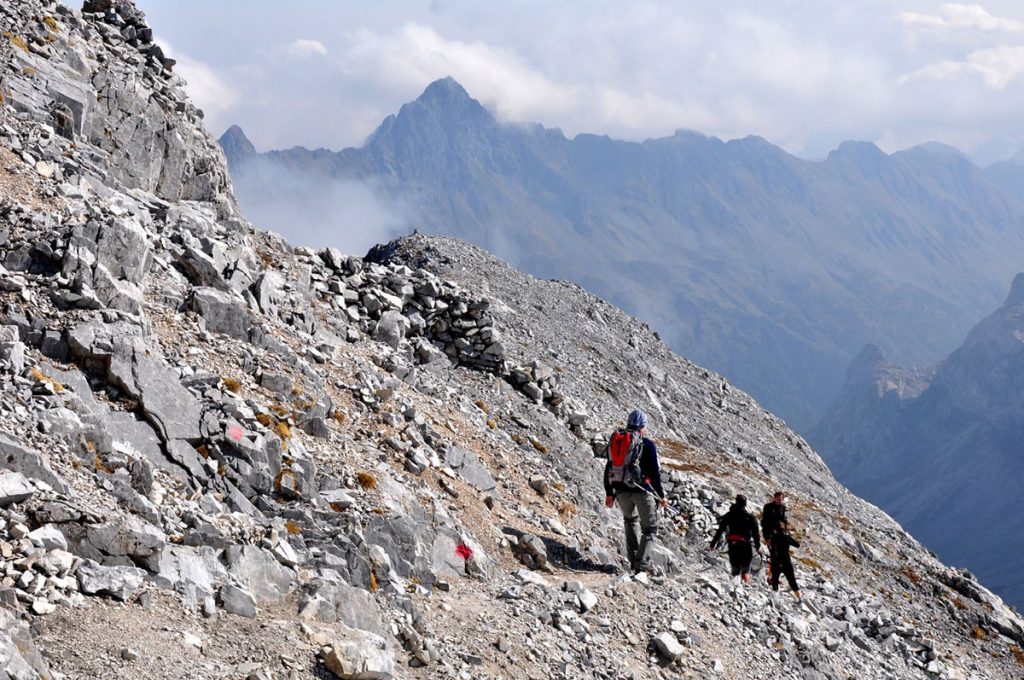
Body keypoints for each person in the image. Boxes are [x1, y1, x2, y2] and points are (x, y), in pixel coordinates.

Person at [603, 409, 667, 574]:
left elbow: (609, 466)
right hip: (641, 491)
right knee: (650, 529)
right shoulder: (647, 444)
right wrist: (661, 496)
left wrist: (609, 493)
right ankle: (641, 566)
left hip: (620, 490)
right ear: (642, 426)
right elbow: (654, 473)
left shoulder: (619, 441)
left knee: (630, 521)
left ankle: (633, 562)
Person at [709, 494, 761, 583]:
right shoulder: (750, 518)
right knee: (745, 570)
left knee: (735, 569)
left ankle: (735, 588)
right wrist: (757, 546)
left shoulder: (729, 515)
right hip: (745, 545)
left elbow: (720, 530)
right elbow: (756, 534)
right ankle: (746, 587)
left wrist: (713, 544)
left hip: (732, 544)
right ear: (745, 504)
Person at [769, 520, 801, 600]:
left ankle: (775, 598)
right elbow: (797, 545)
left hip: (777, 563)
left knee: (775, 580)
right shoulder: (787, 537)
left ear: (774, 529)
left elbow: (774, 552)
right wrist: (789, 537)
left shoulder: (773, 538)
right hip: (787, 562)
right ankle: (800, 599)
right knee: (792, 581)